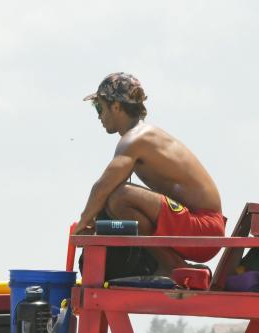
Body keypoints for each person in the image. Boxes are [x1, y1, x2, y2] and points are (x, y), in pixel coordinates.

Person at [73, 72, 225, 274]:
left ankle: (175, 267)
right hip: (201, 229)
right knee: (114, 203)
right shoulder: (140, 137)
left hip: (205, 229)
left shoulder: (134, 140)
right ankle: (172, 267)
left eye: (100, 107)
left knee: (118, 196)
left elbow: (102, 187)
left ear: (116, 106)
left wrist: (81, 225)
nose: (99, 115)